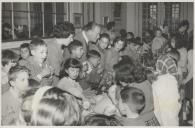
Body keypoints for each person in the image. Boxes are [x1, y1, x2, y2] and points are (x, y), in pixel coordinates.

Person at [46, 21, 75, 86]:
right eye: (71, 37)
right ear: (64, 35)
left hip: (56, 79)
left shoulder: (59, 45)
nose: (72, 40)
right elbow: (57, 72)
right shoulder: (52, 47)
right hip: (51, 82)